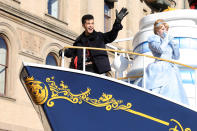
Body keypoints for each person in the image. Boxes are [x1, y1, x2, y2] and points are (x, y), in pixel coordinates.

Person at [59, 8, 128, 75]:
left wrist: (117, 22)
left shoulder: (99, 36)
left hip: (96, 70)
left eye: (92, 23)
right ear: (83, 25)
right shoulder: (79, 41)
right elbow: (71, 52)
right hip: (81, 70)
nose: (91, 26)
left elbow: (111, 36)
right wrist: (64, 51)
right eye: (88, 23)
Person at [144, 19, 188, 105]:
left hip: (171, 68)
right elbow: (160, 49)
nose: (165, 31)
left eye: (166, 29)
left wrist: (174, 45)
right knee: (159, 91)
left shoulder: (167, 41)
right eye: (163, 29)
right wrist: (167, 39)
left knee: (174, 92)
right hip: (160, 67)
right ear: (157, 30)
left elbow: (176, 57)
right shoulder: (153, 40)